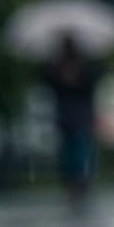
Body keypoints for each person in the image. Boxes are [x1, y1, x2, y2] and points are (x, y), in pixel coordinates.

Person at [42, 33, 103, 209]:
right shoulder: (55, 64)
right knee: (68, 150)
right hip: (64, 115)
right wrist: (58, 73)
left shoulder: (86, 63)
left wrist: (79, 74)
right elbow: (47, 82)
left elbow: (95, 78)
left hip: (82, 114)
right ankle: (72, 180)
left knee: (81, 147)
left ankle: (82, 179)